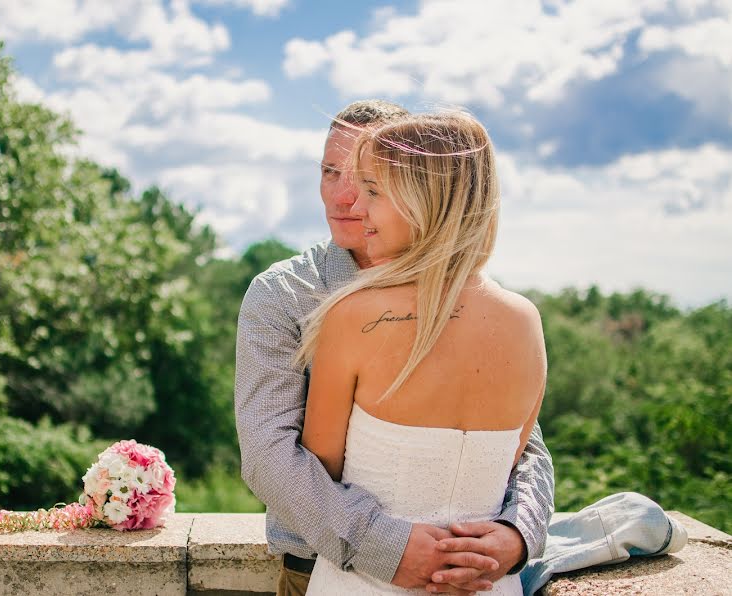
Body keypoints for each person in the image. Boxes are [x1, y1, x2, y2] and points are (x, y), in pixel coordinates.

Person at [235, 101, 555, 596]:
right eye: (330, 172)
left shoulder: (492, 309)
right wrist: (386, 547)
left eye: (369, 182)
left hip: (472, 578)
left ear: (419, 186)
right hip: (320, 564)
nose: (347, 199)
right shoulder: (282, 293)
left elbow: (526, 446)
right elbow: (267, 455)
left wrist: (518, 534)